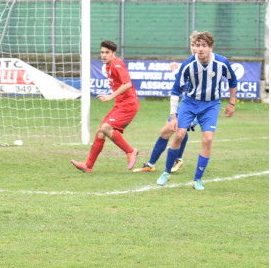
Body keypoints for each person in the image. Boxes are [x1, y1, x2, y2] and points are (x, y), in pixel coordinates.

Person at [157, 31, 237, 190]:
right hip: (190, 103)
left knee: (207, 139)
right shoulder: (188, 64)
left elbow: (232, 81)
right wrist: (173, 116)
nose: (200, 49)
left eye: (204, 46)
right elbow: (175, 91)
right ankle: (166, 172)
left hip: (211, 105)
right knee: (179, 134)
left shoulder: (221, 63)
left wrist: (232, 103)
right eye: (198, 45)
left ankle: (197, 180)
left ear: (211, 48)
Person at [134, 31, 200, 173]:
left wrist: (198, 117)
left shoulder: (205, 65)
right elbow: (182, 85)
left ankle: (176, 159)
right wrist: (176, 72)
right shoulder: (189, 62)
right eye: (193, 45)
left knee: (177, 131)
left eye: (198, 45)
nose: (195, 48)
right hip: (185, 105)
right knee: (166, 132)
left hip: (197, 107)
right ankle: (151, 165)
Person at [71, 40, 139, 173]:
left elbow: (127, 84)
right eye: (102, 52)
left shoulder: (116, 64)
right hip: (120, 105)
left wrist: (110, 96)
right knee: (100, 132)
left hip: (128, 106)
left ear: (114, 54)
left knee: (106, 128)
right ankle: (88, 166)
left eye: (107, 53)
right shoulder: (107, 66)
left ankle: (131, 151)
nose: (103, 55)